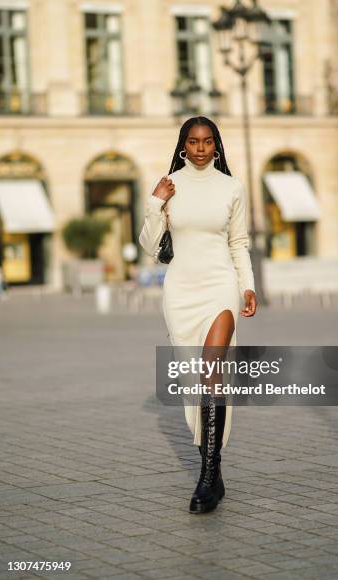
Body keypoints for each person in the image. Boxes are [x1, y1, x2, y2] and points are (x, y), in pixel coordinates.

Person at [139, 116, 257, 513]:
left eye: (207, 141)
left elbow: (239, 242)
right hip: (181, 290)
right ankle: (214, 474)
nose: (201, 148)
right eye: (193, 141)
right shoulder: (169, 185)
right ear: (183, 145)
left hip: (220, 287)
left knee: (211, 369)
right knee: (195, 379)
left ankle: (208, 474)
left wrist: (247, 285)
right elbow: (150, 246)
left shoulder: (232, 187)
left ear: (216, 145)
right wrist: (156, 203)